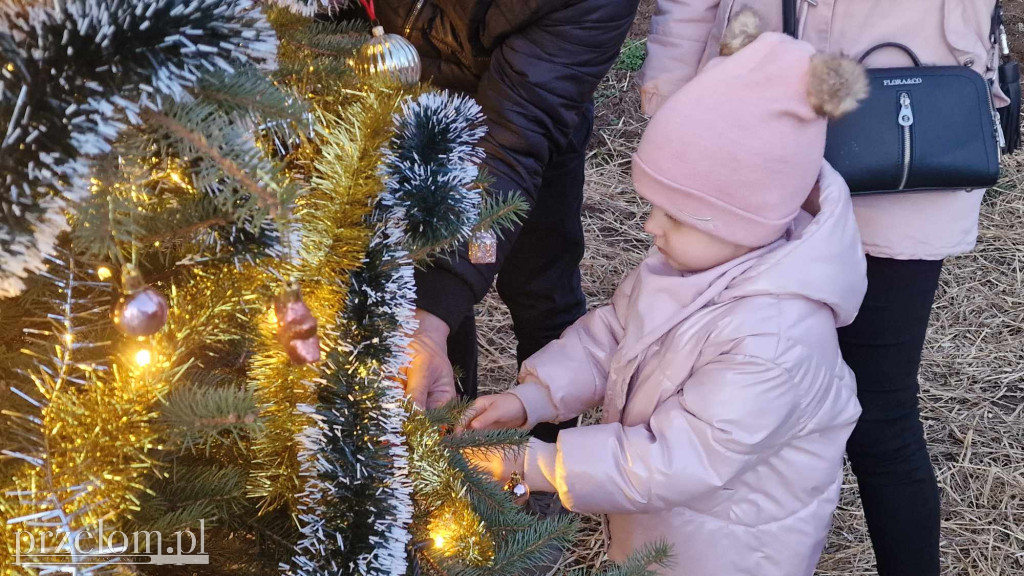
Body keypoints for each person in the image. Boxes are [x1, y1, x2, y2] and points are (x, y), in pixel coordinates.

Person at [463, 14, 870, 574]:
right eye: (653, 205)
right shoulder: (690, 263)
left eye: (675, 215)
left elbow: (676, 461)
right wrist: (531, 400)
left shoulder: (775, 338)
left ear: (743, 220)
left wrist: (534, 464)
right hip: (664, 536)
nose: (652, 226)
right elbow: (609, 338)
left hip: (732, 554)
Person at [638, 2, 1008, 574]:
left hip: (904, 144)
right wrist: (671, 101)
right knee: (724, 386)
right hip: (743, 145)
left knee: (880, 413)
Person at [369, 0, 639, 442]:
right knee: (425, 292)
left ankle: (544, 455)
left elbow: (514, 139)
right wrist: (433, 321)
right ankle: (440, 440)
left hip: (525, 137)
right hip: (393, 108)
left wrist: (435, 310)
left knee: (540, 287)